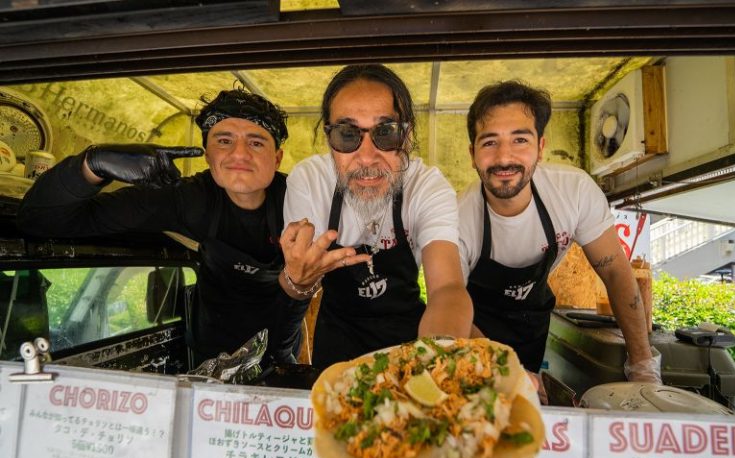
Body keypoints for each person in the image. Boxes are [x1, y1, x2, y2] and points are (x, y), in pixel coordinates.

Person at [17, 89, 309, 365]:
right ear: (207, 154)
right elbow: (39, 219)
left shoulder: (304, 200)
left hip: (281, 350)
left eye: (256, 142)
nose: (240, 154)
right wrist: (94, 163)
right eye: (224, 141)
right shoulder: (186, 199)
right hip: (210, 356)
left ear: (278, 157)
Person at [458, 80, 661, 397]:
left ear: (540, 147)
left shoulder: (574, 192)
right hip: (471, 331)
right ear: (472, 154)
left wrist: (642, 362)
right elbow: (449, 304)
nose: (504, 157)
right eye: (489, 143)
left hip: (531, 326)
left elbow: (615, 271)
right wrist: (504, 367)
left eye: (520, 140)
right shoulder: (457, 217)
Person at [279, 64, 473, 370]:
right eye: (347, 134)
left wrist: (435, 361)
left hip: (411, 341)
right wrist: (298, 281)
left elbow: (447, 289)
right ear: (329, 138)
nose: (367, 157)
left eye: (386, 133)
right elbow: (296, 284)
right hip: (337, 338)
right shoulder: (310, 182)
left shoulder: (427, 187)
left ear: (407, 137)